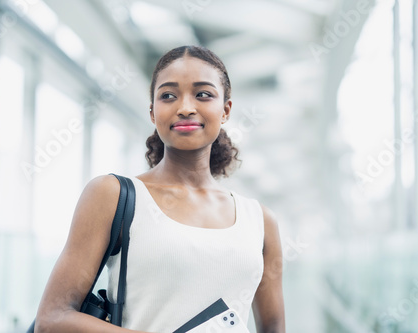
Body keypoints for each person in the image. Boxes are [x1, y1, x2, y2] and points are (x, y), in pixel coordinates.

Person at [35, 45, 285, 333]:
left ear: (226, 110)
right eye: (168, 96)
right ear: (153, 112)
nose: (185, 108)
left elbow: (274, 327)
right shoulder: (112, 195)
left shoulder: (260, 221)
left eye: (203, 94)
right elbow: (52, 319)